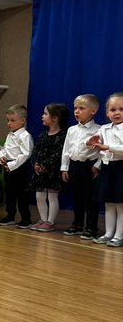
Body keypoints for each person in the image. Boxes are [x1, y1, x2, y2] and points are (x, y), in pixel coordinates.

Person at [60, 94, 101, 239]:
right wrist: (65, 167)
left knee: (90, 198)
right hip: (74, 166)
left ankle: (91, 227)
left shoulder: (99, 130)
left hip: (89, 166)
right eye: (75, 108)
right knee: (77, 197)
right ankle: (77, 224)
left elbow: (102, 152)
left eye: (81, 108)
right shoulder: (72, 130)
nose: (77, 111)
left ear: (93, 111)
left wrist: (97, 165)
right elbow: (66, 149)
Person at [87, 92, 123, 247]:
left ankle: (119, 235)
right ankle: (109, 233)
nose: (117, 113)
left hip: (121, 169)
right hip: (108, 169)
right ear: (107, 113)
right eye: (113, 110)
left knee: (120, 204)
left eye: (121, 109)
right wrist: (90, 141)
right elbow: (92, 141)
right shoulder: (104, 128)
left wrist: (108, 147)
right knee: (108, 203)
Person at [28, 102, 69, 232]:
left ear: (55, 118)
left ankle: (50, 221)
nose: (42, 116)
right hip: (40, 171)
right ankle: (43, 219)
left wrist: (45, 164)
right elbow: (36, 150)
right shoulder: (43, 134)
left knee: (52, 196)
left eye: (45, 114)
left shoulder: (63, 135)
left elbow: (59, 153)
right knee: (39, 195)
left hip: (52, 171)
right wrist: (35, 163)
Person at [0, 104, 34, 228]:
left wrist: (12, 165)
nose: (9, 123)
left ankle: (26, 218)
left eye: (12, 120)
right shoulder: (10, 135)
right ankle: (10, 216)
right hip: (8, 166)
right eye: (8, 120)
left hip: (19, 167)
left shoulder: (25, 136)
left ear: (22, 121)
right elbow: (5, 148)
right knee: (9, 192)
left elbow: (26, 154)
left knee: (21, 194)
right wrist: (2, 156)